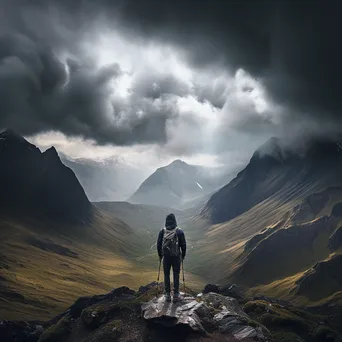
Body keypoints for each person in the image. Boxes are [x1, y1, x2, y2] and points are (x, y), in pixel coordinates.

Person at [157, 213, 187, 302]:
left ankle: (167, 294)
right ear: (175, 221)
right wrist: (183, 255)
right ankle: (176, 294)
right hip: (176, 256)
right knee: (176, 274)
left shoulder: (162, 231)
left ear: (166, 221)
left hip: (166, 257)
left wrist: (160, 256)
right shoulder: (179, 231)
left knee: (166, 274)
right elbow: (183, 245)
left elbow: (159, 245)